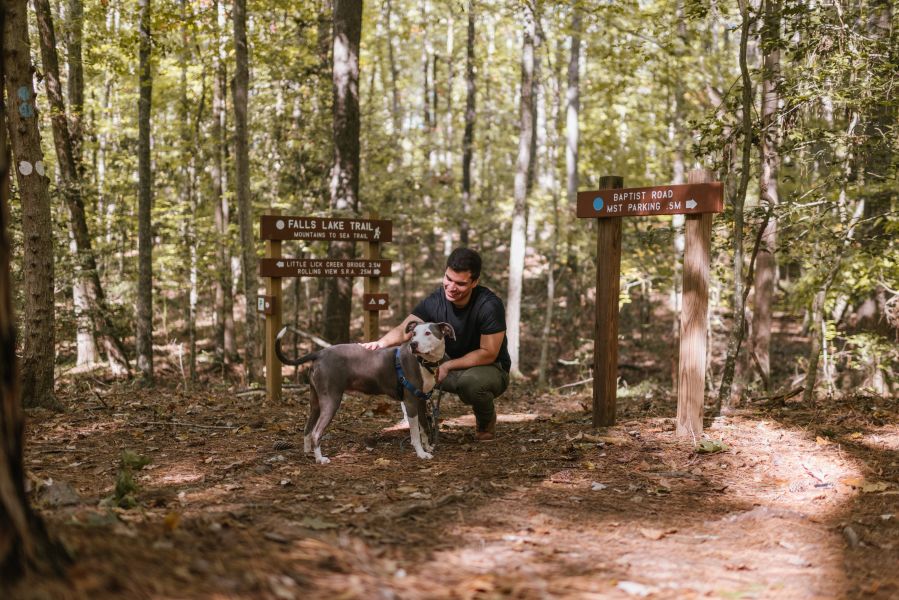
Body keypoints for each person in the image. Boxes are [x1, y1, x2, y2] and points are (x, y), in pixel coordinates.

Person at [360, 248, 510, 441]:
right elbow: (404, 330)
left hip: (489, 367)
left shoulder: (489, 305)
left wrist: (447, 365)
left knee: (471, 384)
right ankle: (415, 419)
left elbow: (488, 353)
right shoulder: (436, 300)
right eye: (448, 279)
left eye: (460, 283)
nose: (451, 287)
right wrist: (379, 344)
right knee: (404, 359)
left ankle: (485, 422)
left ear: (475, 282)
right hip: (448, 362)